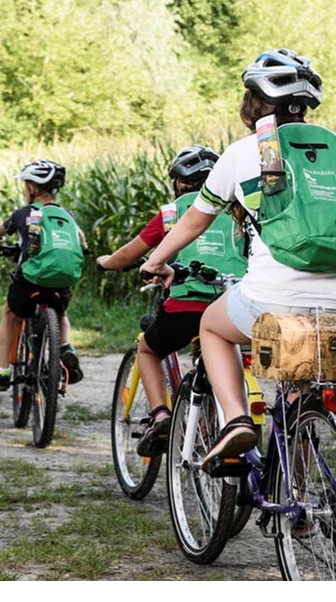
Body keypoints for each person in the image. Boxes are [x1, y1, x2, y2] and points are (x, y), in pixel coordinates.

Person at [141, 48, 336, 464]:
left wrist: (156, 260)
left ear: (255, 101)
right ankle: (298, 511)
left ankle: (237, 421)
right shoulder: (333, 149)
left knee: (212, 327)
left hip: (271, 296)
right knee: (299, 394)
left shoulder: (245, 152)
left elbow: (193, 221)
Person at [97, 145, 247, 455]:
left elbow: (130, 253)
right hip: (236, 304)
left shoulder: (173, 212)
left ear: (178, 182)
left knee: (148, 348)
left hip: (187, 308)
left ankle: (161, 415)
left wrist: (106, 261)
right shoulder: (237, 210)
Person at [0, 160, 87, 392]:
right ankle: (66, 347)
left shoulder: (23, 214)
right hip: (63, 281)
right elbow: (82, 241)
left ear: (31, 189)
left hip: (30, 281)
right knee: (60, 311)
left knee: (10, 312)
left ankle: (4, 370)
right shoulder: (65, 215)